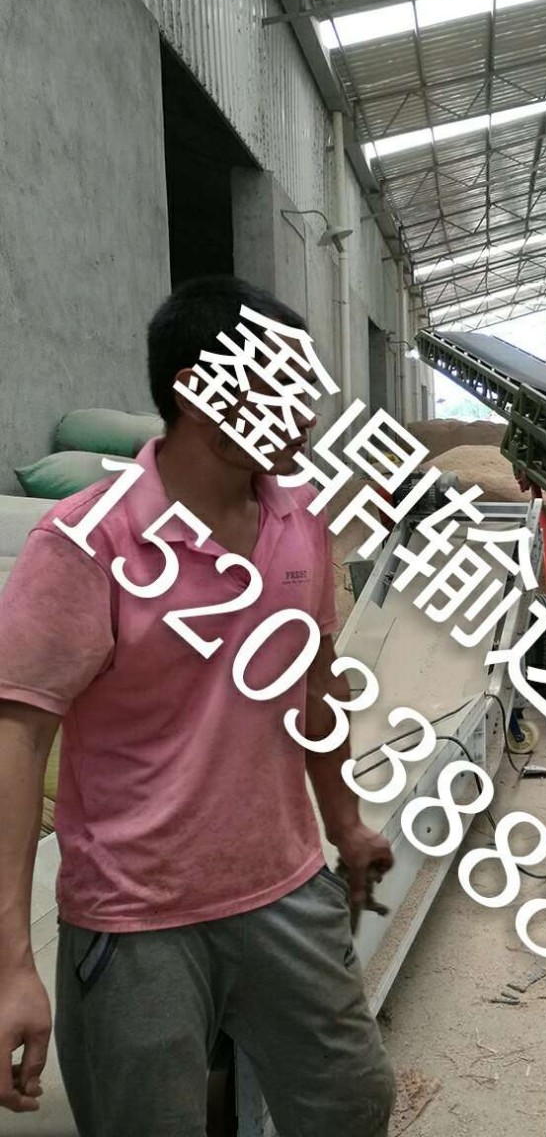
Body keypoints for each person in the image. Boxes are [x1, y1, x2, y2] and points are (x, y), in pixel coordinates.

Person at [0, 278, 395, 1132]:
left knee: (353, 1103)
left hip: (286, 890)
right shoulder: (87, 543)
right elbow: (18, 741)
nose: (307, 414)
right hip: (136, 922)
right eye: (284, 386)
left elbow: (314, 682)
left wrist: (346, 822)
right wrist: (10, 965)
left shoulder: (302, 520)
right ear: (197, 389)